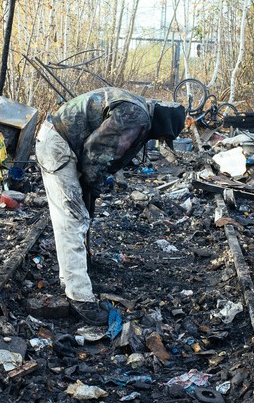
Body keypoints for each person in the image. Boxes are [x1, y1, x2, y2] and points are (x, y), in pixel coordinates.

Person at [35, 87, 185, 325]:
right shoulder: (136, 116)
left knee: (76, 215)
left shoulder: (140, 110)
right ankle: (79, 297)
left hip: (63, 143)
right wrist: (91, 182)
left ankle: (75, 277)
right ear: (163, 127)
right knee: (72, 218)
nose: (160, 141)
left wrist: (91, 186)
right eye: (164, 137)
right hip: (60, 146)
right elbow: (96, 151)